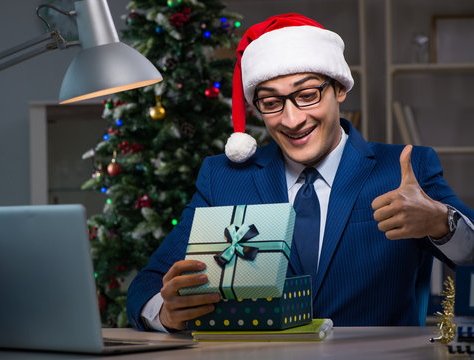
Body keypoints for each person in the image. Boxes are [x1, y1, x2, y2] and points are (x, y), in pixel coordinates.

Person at [127, 13, 474, 331]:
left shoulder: (406, 169)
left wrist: (442, 222)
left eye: (307, 95)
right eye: (271, 102)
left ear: (339, 88)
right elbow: (147, 285)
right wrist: (166, 313)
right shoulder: (224, 177)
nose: (292, 120)